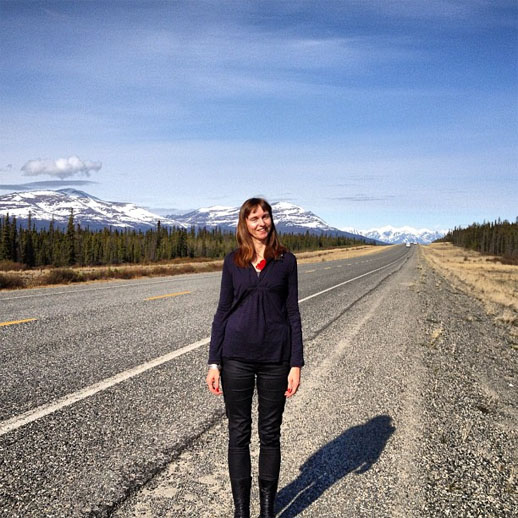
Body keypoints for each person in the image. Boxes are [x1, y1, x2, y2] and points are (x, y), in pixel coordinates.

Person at [206, 197, 304, 518]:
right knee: (238, 431)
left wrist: (296, 364)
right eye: (254, 218)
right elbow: (222, 312)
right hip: (236, 359)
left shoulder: (285, 261)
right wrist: (214, 361)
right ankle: (241, 512)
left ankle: (266, 511)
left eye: (265, 216)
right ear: (244, 224)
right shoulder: (233, 261)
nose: (261, 223)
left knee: (270, 434)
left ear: (272, 220)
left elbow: (293, 313)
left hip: (276, 359)